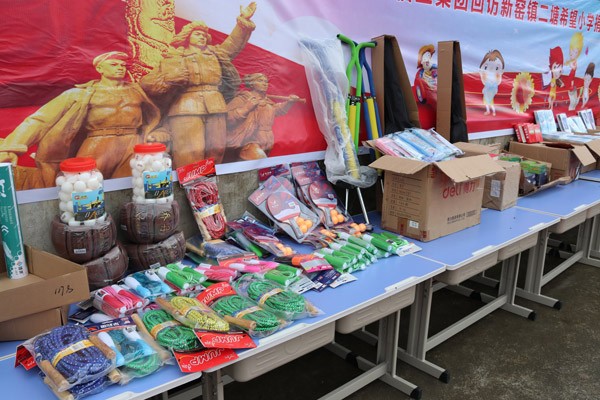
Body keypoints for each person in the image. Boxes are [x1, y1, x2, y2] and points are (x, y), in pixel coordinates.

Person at [0, 51, 161, 188]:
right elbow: (41, 120)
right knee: (82, 186)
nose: (120, 68)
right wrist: (10, 148)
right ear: (99, 68)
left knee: (128, 188)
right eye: (114, 64)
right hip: (98, 143)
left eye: (123, 65)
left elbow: (161, 97)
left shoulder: (137, 91)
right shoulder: (81, 94)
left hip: (132, 143)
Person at [141, 2, 257, 168]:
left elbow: (233, 43)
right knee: (190, 152)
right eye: (197, 34)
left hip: (215, 106)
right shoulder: (175, 57)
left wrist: (242, 22)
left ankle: (207, 183)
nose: (202, 36)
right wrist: (169, 78)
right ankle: (190, 183)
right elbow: (147, 83)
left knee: (216, 150)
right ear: (187, 37)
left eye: (204, 35)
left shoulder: (216, 54)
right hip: (186, 107)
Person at [225, 73, 301, 161]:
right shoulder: (242, 99)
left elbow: (277, 110)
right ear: (252, 83)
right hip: (248, 141)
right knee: (260, 160)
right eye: (260, 80)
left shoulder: (267, 100)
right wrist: (246, 108)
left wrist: (289, 103)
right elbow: (227, 119)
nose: (265, 84)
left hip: (267, 140)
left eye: (266, 81)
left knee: (259, 165)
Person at [479, 50, 505, 116]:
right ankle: (488, 111)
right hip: (486, 93)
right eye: (486, 67)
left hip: (490, 93)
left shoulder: (494, 85)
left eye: (496, 68)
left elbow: (494, 90)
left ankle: (493, 112)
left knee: (490, 103)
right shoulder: (487, 82)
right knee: (486, 103)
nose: (490, 71)